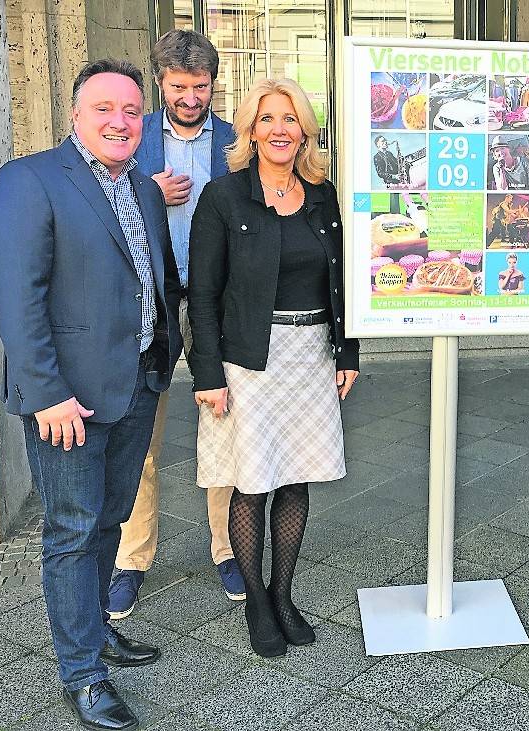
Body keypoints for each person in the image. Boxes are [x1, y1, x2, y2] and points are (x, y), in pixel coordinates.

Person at [0, 59, 182, 731]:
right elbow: (17, 297)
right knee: (71, 532)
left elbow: (154, 280)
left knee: (107, 521)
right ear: (75, 115)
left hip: (136, 386)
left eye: (131, 111)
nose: (119, 121)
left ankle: (94, 632)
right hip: (66, 403)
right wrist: (46, 393)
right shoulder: (30, 179)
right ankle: (83, 674)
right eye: (104, 108)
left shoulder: (146, 190)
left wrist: (167, 352)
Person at [188, 78, 359, 658]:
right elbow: (203, 294)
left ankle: (283, 594)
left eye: (291, 118)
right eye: (268, 119)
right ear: (250, 130)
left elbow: (343, 281)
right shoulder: (223, 196)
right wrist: (207, 374)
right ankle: (257, 605)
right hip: (248, 362)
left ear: (305, 130)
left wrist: (348, 351)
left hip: (311, 354)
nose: (280, 129)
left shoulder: (321, 193)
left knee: (297, 478)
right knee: (252, 482)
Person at [108, 28, 243, 622]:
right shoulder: (133, 141)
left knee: (223, 424)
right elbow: (103, 206)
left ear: (214, 84)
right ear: (161, 83)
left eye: (202, 86)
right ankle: (132, 560)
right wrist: (148, 193)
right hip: (154, 300)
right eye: (180, 86)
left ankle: (228, 547)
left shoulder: (237, 142)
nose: (191, 97)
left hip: (219, 298)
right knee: (141, 434)